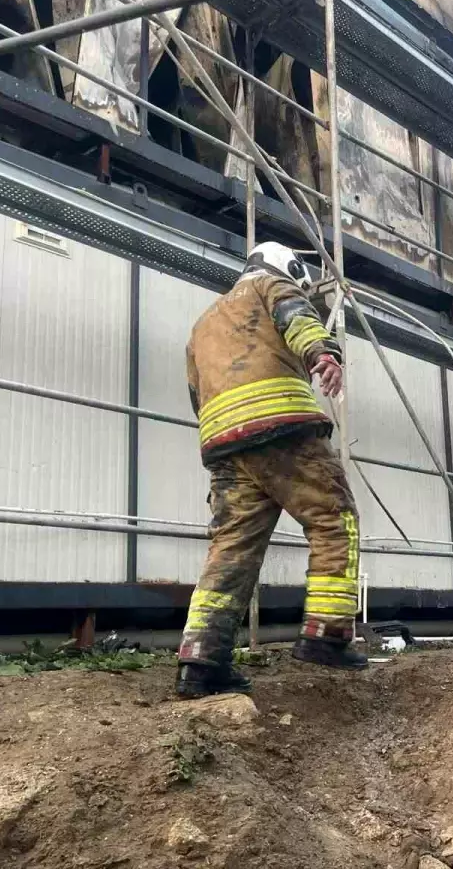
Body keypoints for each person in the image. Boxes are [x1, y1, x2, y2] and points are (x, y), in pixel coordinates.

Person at [176, 241, 366, 699]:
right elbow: (296, 318)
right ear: (288, 268)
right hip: (281, 427)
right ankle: (327, 635)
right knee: (334, 519)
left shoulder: (202, 325)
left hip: (224, 445)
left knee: (231, 549)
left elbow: (196, 394)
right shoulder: (272, 285)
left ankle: (200, 660)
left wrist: (223, 439)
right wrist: (323, 353)